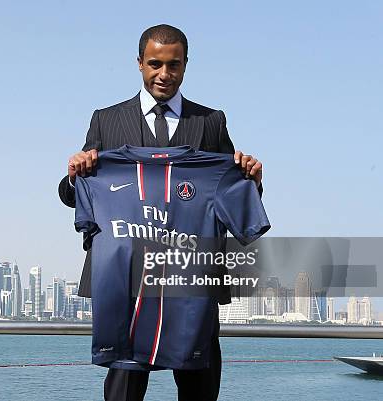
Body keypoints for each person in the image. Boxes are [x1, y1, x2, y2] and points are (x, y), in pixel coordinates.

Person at [58, 24, 263, 401]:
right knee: (124, 391)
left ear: (186, 66)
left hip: (192, 275)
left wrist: (251, 178)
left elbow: (231, 194)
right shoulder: (106, 119)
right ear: (139, 64)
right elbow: (76, 196)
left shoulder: (210, 121)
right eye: (155, 64)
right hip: (126, 277)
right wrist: (75, 175)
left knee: (199, 385)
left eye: (174, 65)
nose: (164, 74)